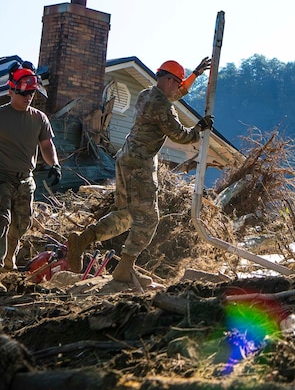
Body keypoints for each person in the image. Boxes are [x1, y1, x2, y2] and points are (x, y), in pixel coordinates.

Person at [65, 57, 212, 287]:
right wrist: (198, 130)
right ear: (168, 79)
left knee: (127, 214)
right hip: (140, 165)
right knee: (148, 218)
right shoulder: (161, 105)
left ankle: (84, 240)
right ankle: (124, 269)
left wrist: (195, 75)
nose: (178, 87)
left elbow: (176, 94)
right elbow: (180, 135)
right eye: (177, 82)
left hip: (126, 159)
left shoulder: (147, 94)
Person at [0, 62, 62, 297]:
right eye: (24, 92)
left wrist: (54, 164)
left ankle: (7, 263)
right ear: (11, 90)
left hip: (25, 180)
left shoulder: (39, 118)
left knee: (20, 224)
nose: (28, 97)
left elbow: (47, 145)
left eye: (32, 93)